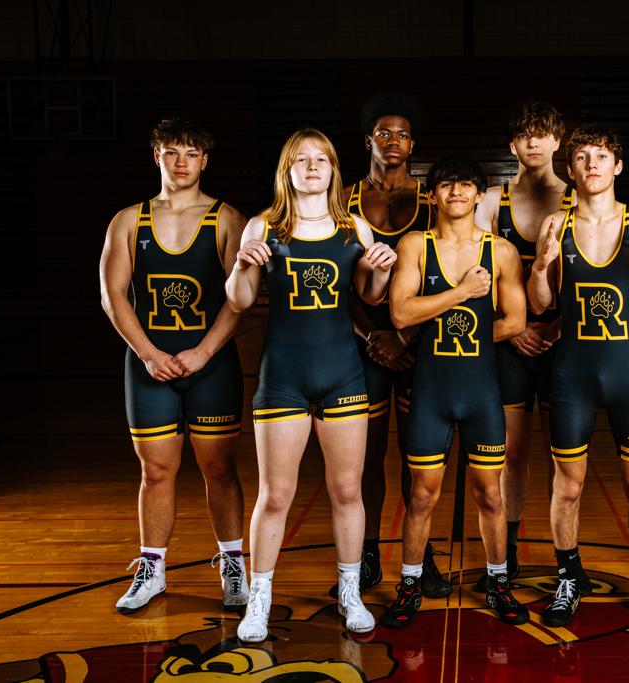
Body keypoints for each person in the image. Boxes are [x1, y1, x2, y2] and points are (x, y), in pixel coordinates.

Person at [225, 129, 397, 641]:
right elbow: (237, 301)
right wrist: (241, 263)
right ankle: (260, 597)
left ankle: (350, 592)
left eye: (321, 158)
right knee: (275, 495)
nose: (313, 166)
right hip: (283, 378)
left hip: (343, 374)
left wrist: (380, 271)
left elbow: (367, 295)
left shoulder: (355, 228)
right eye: (302, 159)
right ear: (288, 170)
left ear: (334, 168)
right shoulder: (264, 225)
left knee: (347, 490)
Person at [527, 125, 629, 628]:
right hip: (572, 373)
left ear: (618, 167)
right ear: (570, 170)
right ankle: (568, 577)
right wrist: (540, 266)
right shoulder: (556, 222)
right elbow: (540, 305)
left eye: (602, 156)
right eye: (582, 157)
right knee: (567, 485)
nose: (592, 164)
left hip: (627, 375)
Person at [99, 119, 248, 613]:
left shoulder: (227, 219)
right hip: (149, 363)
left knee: (219, 468)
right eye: (171, 152)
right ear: (156, 158)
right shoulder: (128, 220)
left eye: (191, 152)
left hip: (211, 362)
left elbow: (243, 297)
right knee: (156, 470)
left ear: (206, 161)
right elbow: (112, 296)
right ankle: (153, 569)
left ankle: (232, 565)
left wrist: (203, 352)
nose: (181, 161)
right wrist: (148, 353)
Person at [382, 154, 528, 628]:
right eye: (447, 186)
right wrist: (461, 294)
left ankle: (498, 582)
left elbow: (517, 321)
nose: (457, 193)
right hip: (431, 391)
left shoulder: (500, 251)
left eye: (466, 186)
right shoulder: (415, 246)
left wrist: (465, 331)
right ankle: (408, 584)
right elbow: (401, 314)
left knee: (490, 494)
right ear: (432, 195)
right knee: (422, 495)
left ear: (480, 195)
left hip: (481, 390)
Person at [341, 93, 448, 597]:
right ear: (369, 140)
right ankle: (365, 553)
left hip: (416, 343)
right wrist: (370, 335)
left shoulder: (432, 200)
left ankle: (419, 552)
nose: (393, 141)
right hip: (360, 344)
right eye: (383, 132)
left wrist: (404, 335)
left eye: (402, 133)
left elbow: (439, 277)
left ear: (413, 143)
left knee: (416, 456)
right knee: (366, 458)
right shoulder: (343, 199)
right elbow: (335, 281)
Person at [474, 101, 574, 587]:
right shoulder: (493, 201)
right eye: (524, 136)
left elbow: (591, 277)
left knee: (564, 453)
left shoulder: (581, 198)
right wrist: (515, 327)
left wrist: (555, 328)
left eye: (543, 134)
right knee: (512, 454)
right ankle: (508, 549)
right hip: (509, 339)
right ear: (512, 146)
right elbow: (478, 273)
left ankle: (563, 554)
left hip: (564, 339)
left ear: (558, 141)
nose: (533, 143)